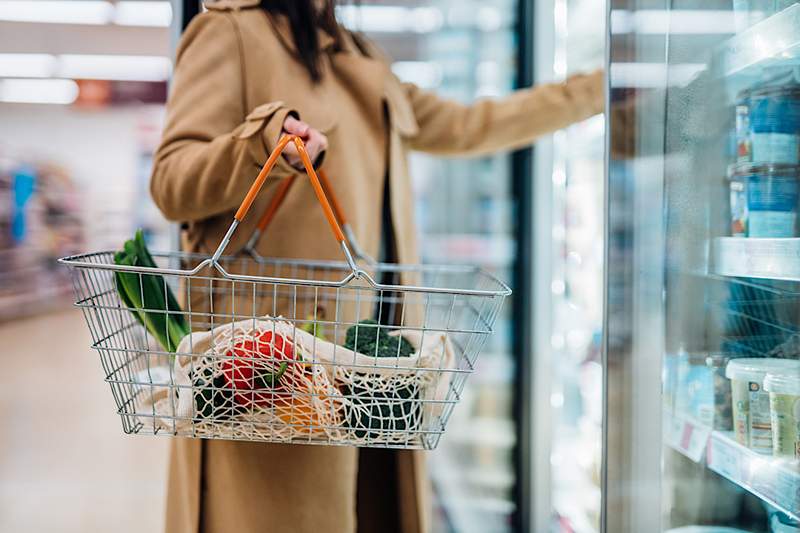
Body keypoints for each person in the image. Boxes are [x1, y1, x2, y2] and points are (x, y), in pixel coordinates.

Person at [149, 0, 604, 531]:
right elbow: (171, 183)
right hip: (272, 374)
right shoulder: (228, 33)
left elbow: (466, 126)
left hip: (375, 367)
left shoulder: (356, 50)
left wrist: (598, 89)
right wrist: (260, 143)